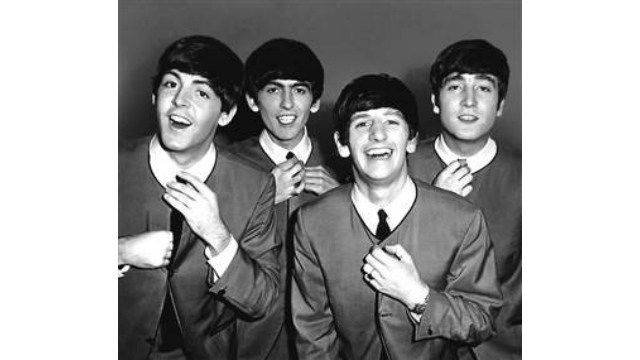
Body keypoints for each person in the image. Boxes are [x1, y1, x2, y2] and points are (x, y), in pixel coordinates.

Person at [292, 74, 502, 359]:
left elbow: (481, 322)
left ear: (412, 140)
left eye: (391, 122)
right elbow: (312, 331)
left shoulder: (463, 219)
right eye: (362, 123)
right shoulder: (312, 221)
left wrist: (418, 297)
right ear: (342, 144)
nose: (377, 134)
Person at [118, 35, 280, 360]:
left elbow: (263, 301)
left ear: (226, 114)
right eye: (170, 84)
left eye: (202, 92)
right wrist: (119, 250)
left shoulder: (255, 186)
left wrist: (218, 235)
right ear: (154, 95)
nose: (180, 101)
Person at [226, 38, 340, 360]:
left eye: (299, 90)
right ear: (252, 99)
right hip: (245, 340)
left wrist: (344, 204)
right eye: (274, 90)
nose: (287, 104)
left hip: (327, 343)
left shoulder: (346, 166)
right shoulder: (225, 165)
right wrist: (261, 197)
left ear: (315, 101)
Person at [408, 39, 521, 359]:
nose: (469, 101)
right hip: (415, 346)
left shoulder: (525, 178)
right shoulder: (400, 167)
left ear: (500, 104)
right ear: (434, 100)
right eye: (456, 86)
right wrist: (433, 206)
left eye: (484, 88)